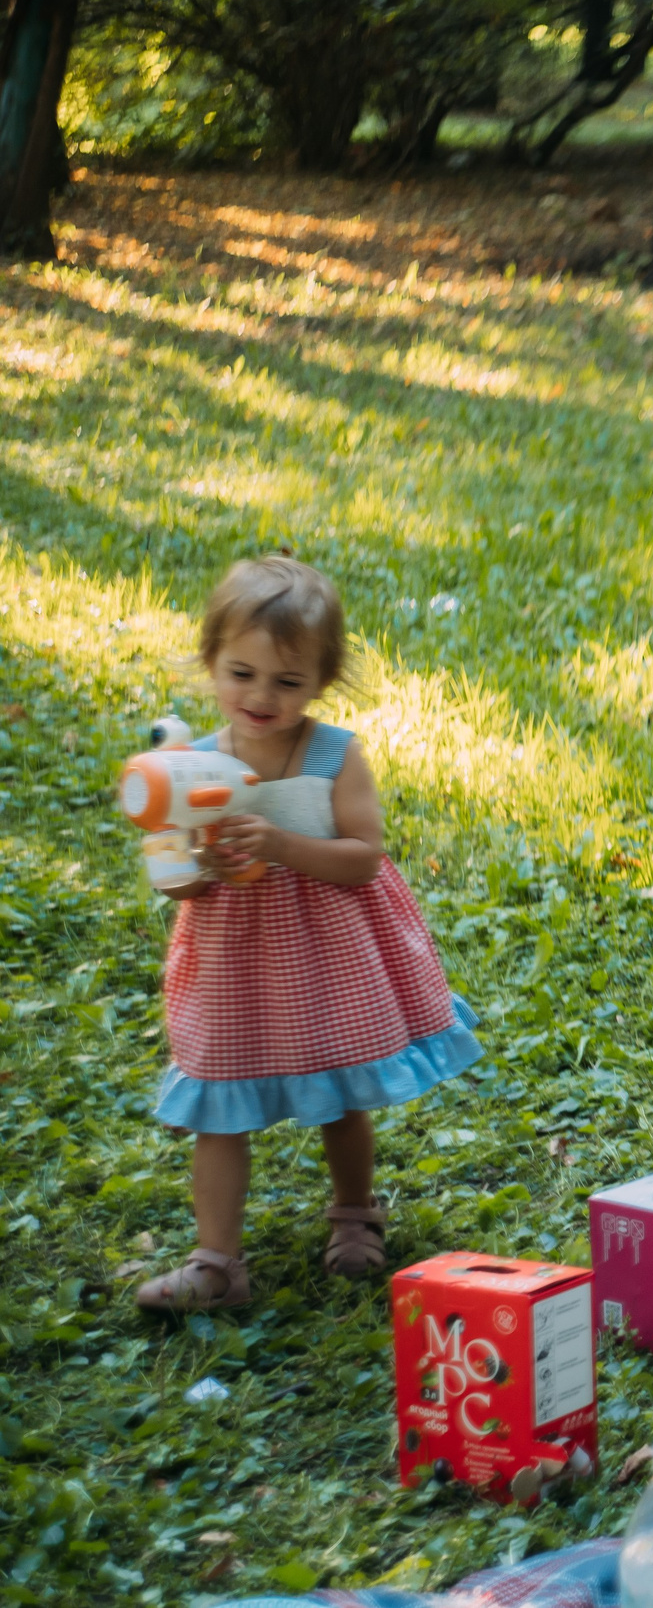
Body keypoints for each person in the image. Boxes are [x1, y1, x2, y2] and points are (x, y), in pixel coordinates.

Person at [139, 556, 482, 1310]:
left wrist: (281, 846)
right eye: (242, 674)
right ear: (210, 665)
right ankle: (217, 1262)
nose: (262, 696)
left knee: (342, 1090)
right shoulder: (190, 763)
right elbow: (175, 881)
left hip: (326, 951)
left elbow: (364, 857)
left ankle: (355, 1212)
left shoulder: (335, 754)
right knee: (216, 1104)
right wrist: (205, 862)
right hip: (233, 960)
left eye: (288, 682)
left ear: (321, 682)